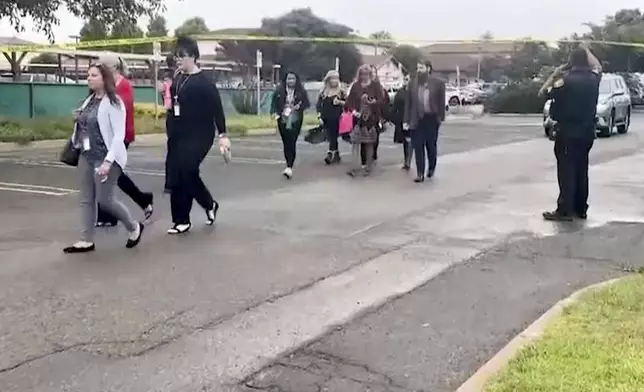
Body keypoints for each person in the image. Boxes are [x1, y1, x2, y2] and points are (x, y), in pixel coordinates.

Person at [63, 63, 144, 253]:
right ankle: (85, 239)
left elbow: (118, 135)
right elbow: (87, 124)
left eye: (94, 75)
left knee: (105, 200)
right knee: (86, 198)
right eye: (88, 75)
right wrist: (78, 118)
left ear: (104, 78)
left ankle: (134, 227)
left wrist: (108, 162)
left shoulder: (114, 102)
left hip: (106, 157)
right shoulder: (89, 100)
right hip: (86, 155)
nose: (89, 78)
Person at [165, 36, 229, 234]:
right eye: (177, 56)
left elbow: (217, 110)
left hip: (200, 135)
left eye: (182, 56)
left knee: (187, 169)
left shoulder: (205, 84)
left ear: (193, 57)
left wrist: (223, 135)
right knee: (178, 174)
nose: (179, 60)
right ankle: (187, 216)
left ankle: (193, 213)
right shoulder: (177, 79)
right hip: (178, 134)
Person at [539, 44, 602, 221]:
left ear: (570, 62)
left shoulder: (564, 80)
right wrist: (588, 50)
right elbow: (598, 66)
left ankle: (565, 209)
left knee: (567, 169)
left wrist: (557, 72)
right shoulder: (593, 79)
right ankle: (580, 208)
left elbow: (543, 92)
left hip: (567, 131)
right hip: (587, 132)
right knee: (582, 169)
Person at [94, 54, 154, 227]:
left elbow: (119, 112)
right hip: (104, 136)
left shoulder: (124, 86)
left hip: (120, 136)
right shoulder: (106, 85)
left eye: (102, 68)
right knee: (110, 174)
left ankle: (112, 214)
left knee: (109, 173)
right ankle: (140, 201)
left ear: (112, 68)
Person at [403, 60, 446, 183]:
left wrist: (440, 118)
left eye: (421, 68)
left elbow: (441, 103)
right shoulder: (412, 84)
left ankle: (431, 167)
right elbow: (408, 103)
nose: (418, 70)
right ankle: (420, 173)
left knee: (430, 146)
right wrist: (406, 120)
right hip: (417, 119)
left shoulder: (438, 83)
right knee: (418, 146)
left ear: (428, 68)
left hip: (432, 119)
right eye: (417, 68)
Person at [345, 64, 386, 177]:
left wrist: (374, 103)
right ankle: (353, 167)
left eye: (367, 74)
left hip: (371, 118)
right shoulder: (355, 86)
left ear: (370, 74)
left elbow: (382, 100)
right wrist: (353, 111)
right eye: (362, 74)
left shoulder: (376, 85)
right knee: (355, 142)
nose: (364, 76)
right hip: (358, 118)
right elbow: (349, 102)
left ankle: (368, 167)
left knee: (369, 143)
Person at [271, 71, 310, 179]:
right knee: (285, 141)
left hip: (295, 119)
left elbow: (306, 104)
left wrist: (299, 107)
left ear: (296, 80)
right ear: (285, 79)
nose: (291, 81)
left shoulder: (301, 91)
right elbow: (274, 103)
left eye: (293, 78)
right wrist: (275, 113)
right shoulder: (279, 90)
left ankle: (289, 166)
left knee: (292, 141)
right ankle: (288, 162)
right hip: (282, 118)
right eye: (289, 78)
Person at [316, 70, 347, 165]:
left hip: (338, 117)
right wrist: (319, 116)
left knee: (333, 135)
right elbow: (318, 105)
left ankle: (330, 153)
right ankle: (336, 153)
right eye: (333, 78)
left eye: (336, 78)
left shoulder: (341, 91)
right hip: (326, 117)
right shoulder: (323, 92)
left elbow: (349, 103)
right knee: (331, 136)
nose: (335, 80)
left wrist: (340, 102)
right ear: (328, 79)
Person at [392, 75, 412, 171]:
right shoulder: (400, 92)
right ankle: (406, 161)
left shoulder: (414, 92)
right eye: (405, 79)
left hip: (411, 119)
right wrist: (392, 117)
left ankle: (409, 161)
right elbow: (395, 106)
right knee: (405, 141)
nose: (405, 81)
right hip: (401, 119)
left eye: (407, 79)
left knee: (410, 140)